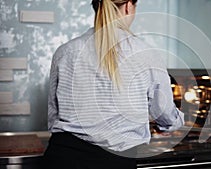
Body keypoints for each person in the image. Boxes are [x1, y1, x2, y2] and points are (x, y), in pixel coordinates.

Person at [42, 0, 184, 168]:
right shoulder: (146, 54)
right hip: (114, 162)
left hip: (62, 157)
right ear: (128, 6)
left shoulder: (65, 52)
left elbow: (53, 115)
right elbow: (165, 115)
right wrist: (176, 122)